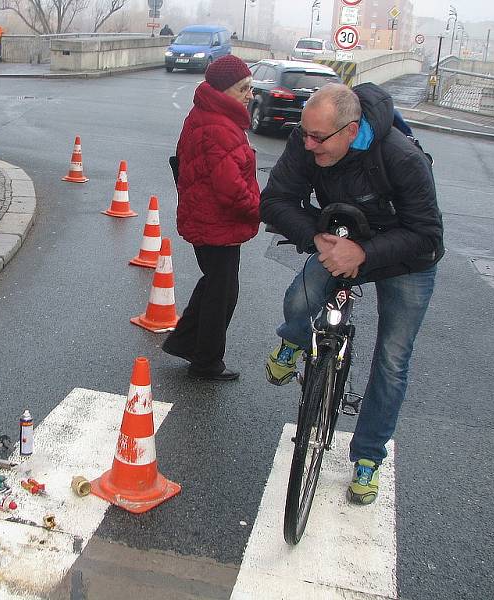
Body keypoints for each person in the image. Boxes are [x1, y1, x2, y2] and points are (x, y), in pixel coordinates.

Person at [260, 83, 444, 504]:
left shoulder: (401, 156)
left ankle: (367, 458)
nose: (308, 145)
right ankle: (291, 340)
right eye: (304, 134)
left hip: (405, 258)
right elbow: (274, 200)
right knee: (300, 300)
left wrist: (364, 252)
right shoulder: (308, 138)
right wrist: (314, 236)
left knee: (393, 359)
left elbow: (427, 233)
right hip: (339, 240)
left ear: (352, 129)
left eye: (319, 138)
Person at [161, 54, 261, 381]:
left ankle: (186, 342)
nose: (250, 95)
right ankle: (205, 362)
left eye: (250, 87)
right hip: (217, 222)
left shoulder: (206, 114)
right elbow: (230, 187)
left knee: (215, 284)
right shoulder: (219, 126)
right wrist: (258, 209)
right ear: (223, 90)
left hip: (206, 217)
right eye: (243, 88)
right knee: (222, 292)